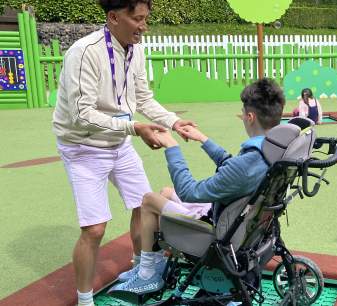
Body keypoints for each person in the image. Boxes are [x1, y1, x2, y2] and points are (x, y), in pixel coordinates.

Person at [51, 1, 196, 305]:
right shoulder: (84, 52)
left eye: (146, 19)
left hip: (119, 142)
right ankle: (86, 299)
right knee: (94, 229)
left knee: (144, 208)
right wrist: (135, 128)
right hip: (83, 146)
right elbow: (82, 115)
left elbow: (143, 97)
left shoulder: (136, 48)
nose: (144, 26)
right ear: (113, 17)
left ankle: (141, 272)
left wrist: (173, 121)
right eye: (138, 19)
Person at [111, 78, 285, 294]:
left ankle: (148, 274)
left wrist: (172, 147)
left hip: (220, 232)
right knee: (165, 192)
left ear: (250, 117)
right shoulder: (273, 149)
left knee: (149, 200)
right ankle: (152, 263)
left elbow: (189, 191)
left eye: (243, 114)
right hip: (243, 223)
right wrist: (203, 139)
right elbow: (234, 166)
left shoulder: (247, 165)